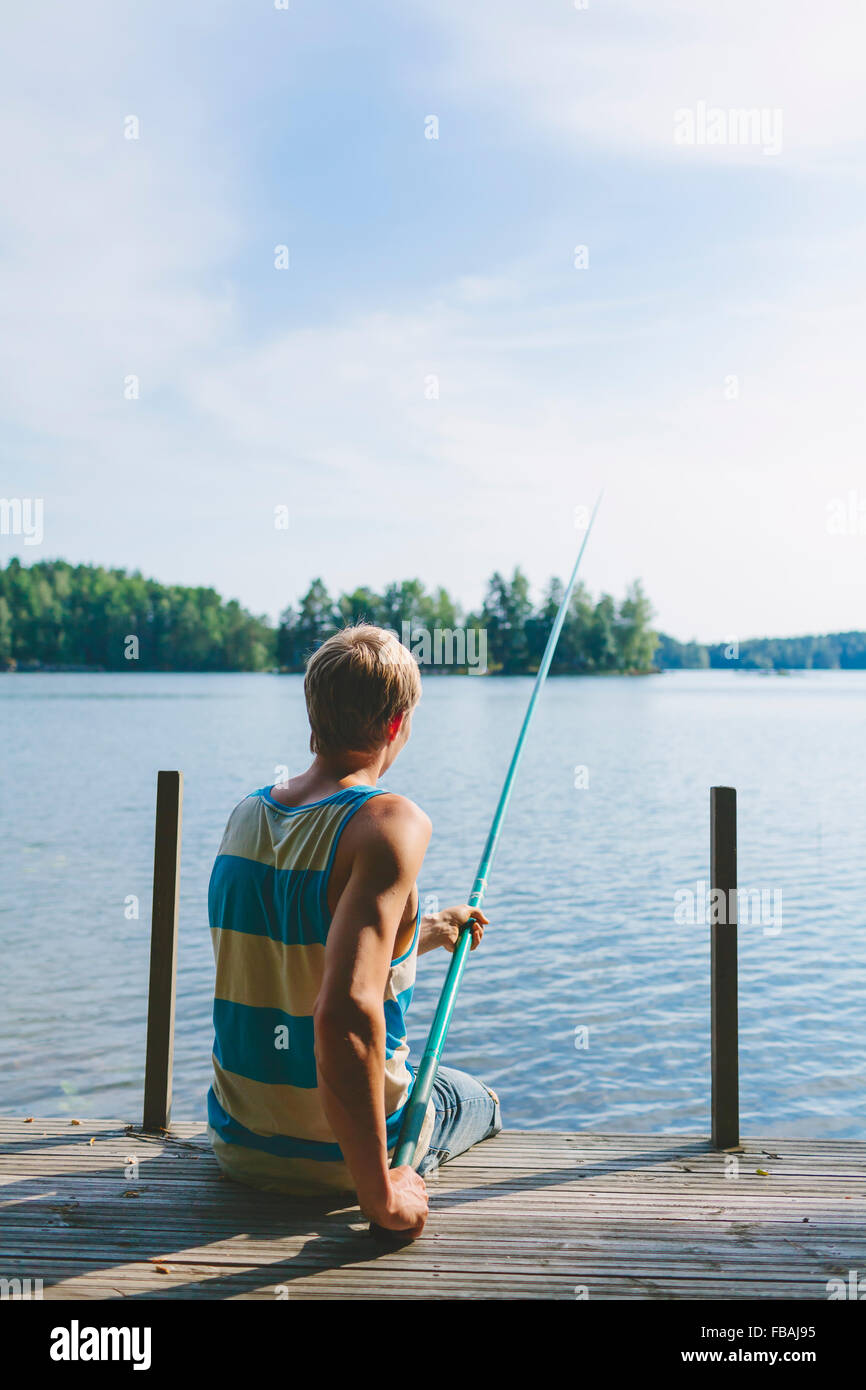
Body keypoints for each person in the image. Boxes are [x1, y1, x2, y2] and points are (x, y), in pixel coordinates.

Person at [206, 623, 502, 1240]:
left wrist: (425, 930)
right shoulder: (391, 823)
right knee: (477, 1099)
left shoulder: (246, 815)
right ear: (397, 724)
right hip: (338, 1164)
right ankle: (398, 1174)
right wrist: (382, 1198)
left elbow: (305, 952)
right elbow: (344, 1012)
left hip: (239, 1146)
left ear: (313, 717)